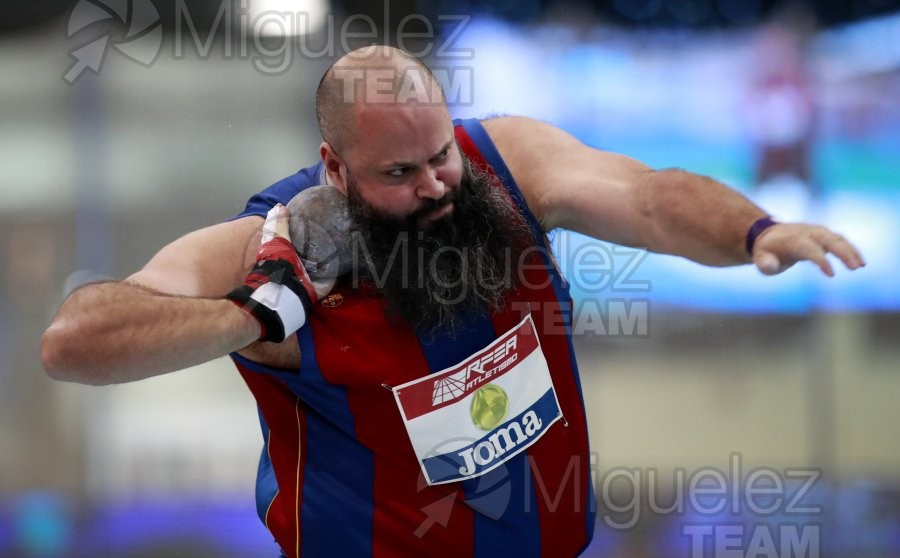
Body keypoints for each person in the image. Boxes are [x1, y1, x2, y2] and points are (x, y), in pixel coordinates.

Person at [41, 45, 865, 557]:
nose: (436, 184)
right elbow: (73, 342)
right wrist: (255, 316)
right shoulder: (265, 242)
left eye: (440, 156)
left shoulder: (509, 167)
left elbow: (649, 197)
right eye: (400, 174)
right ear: (337, 168)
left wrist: (754, 232)